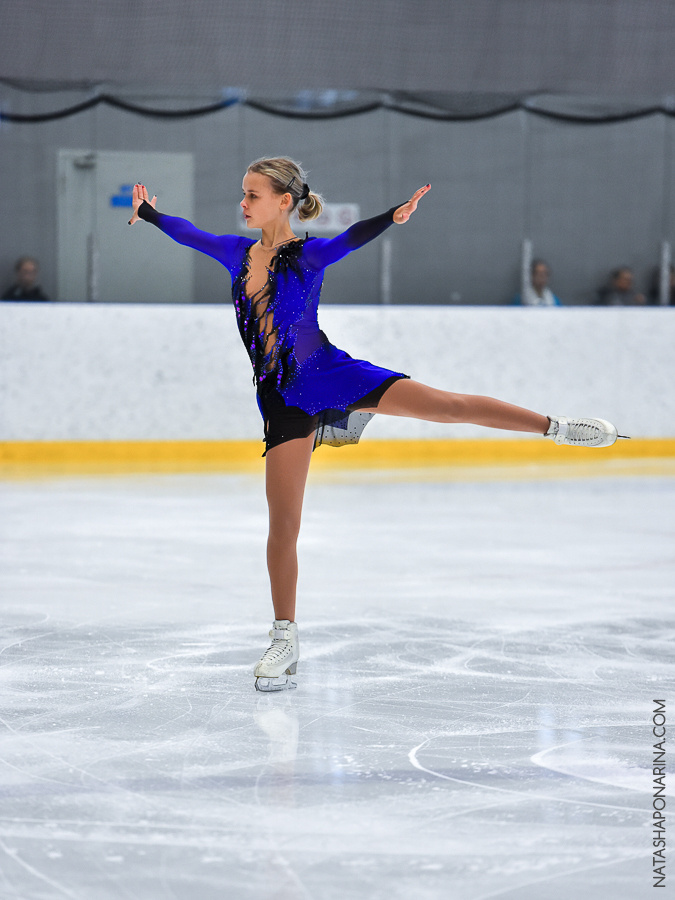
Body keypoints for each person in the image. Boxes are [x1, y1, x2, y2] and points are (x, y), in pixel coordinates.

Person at [128, 157, 623, 692]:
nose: (242, 203)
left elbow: (350, 238)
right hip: (281, 401)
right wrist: (150, 213)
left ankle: (557, 426)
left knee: (446, 405)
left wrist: (394, 215)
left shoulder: (307, 255)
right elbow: (186, 232)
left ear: (284, 201)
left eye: (253, 195)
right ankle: (284, 638)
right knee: (283, 526)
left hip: (331, 374)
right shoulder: (235, 252)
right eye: (243, 194)